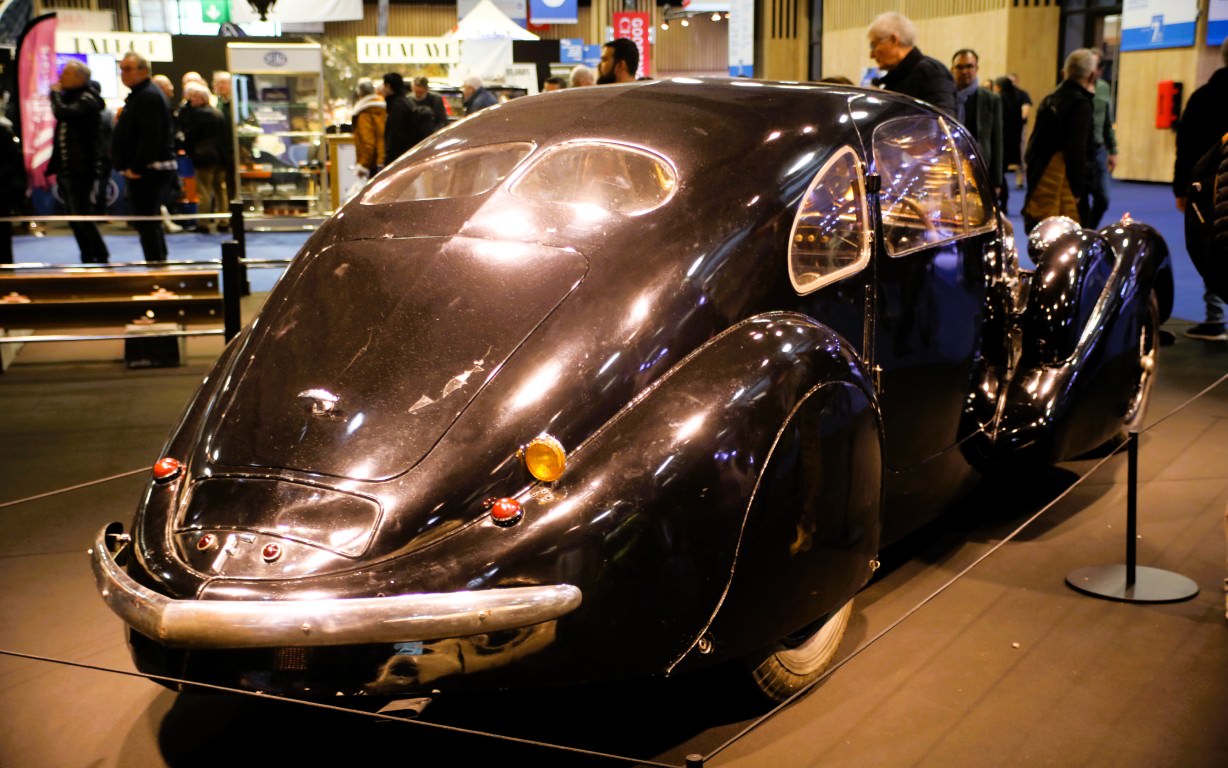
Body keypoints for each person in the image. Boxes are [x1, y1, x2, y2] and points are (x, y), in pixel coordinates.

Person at [1173, 37, 1228, 341]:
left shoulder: (1203, 97)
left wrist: (1181, 188)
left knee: (1214, 245)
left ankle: (1215, 316)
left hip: (1210, 188)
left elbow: (1185, 146)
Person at [1021, 48, 1097, 233]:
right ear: (1092, 76)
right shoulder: (1081, 104)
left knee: (1041, 229)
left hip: (1040, 175)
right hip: (1062, 183)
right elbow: (1076, 150)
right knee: (1066, 233)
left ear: (1065, 72)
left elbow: (1033, 145)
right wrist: (1078, 189)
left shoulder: (1050, 99)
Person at [113, 52, 176, 262]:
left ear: (144, 70)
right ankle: (157, 264)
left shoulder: (148, 96)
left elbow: (151, 137)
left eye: (128, 69)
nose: (124, 74)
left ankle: (157, 265)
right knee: (147, 223)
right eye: (122, 69)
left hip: (149, 170)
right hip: (146, 169)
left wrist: (137, 167)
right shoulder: (140, 95)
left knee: (147, 222)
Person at [48, 59, 109, 264]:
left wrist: (55, 95)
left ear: (80, 78)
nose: (61, 77)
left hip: (81, 169)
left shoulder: (87, 99)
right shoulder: (73, 98)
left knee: (81, 215)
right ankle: (88, 255)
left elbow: (64, 113)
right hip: (68, 169)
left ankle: (99, 254)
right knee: (74, 217)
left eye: (66, 73)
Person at [866, 12, 955, 115]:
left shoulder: (931, 72)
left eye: (873, 46)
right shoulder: (896, 78)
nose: (871, 55)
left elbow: (942, 120)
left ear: (893, 39)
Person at [950, 49, 1004, 197]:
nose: (964, 71)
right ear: (952, 69)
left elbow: (997, 141)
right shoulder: (946, 97)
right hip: (949, 167)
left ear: (977, 68)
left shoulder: (991, 99)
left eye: (969, 66)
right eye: (959, 67)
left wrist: (997, 181)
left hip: (979, 167)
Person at [179, 83, 228, 234]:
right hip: (220, 157)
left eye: (194, 97)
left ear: (202, 98)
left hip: (204, 157)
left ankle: (203, 222)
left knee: (204, 190)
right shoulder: (217, 112)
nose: (191, 100)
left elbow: (189, 134)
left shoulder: (199, 114)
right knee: (220, 190)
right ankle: (224, 220)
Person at [1086, 50, 1118, 228]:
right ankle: (1082, 234)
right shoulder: (1072, 89)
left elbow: (1107, 122)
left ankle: (1089, 229)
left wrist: (1113, 150)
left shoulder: (1104, 88)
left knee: (1103, 198)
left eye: (1097, 66)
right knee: (1080, 199)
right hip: (1079, 151)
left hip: (1099, 150)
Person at [382, 72, 433, 165]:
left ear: (388, 86)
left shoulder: (397, 106)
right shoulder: (405, 101)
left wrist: (388, 159)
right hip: (406, 154)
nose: (383, 88)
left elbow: (395, 136)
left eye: (384, 85)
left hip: (398, 157)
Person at [0, 114, 24, 264]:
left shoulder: (3, 131)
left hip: (2, 193)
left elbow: (12, 163)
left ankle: (6, 270)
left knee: (2, 235)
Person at [212, 70, 235, 228]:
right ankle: (222, 218)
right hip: (217, 153)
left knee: (232, 186)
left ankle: (234, 217)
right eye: (218, 83)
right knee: (218, 186)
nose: (220, 86)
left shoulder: (237, 104)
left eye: (224, 83)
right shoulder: (213, 103)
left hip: (233, 152)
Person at [351, 78, 386, 178]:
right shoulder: (382, 107)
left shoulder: (365, 114)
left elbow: (368, 143)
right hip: (383, 158)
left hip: (373, 163)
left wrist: (363, 165)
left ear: (359, 93)